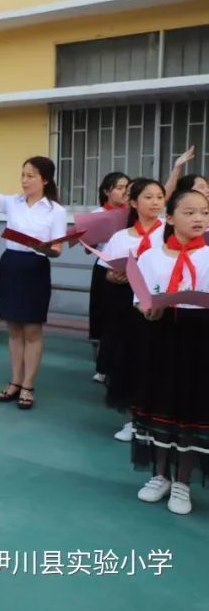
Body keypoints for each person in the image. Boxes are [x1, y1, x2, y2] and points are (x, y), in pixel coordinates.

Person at [0, 138, 66, 411]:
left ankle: (28, 385)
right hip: (11, 265)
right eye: (23, 174)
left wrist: (43, 248)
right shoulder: (13, 202)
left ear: (45, 180)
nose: (24, 180)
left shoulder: (56, 211)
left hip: (36, 267)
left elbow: (58, 249)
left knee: (32, 330)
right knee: (14, 329)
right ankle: (15, 381)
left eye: (31, 176)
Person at [127, 189, 209, 515]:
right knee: (159, 403)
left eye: (203, 212)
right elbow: (140, 297)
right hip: (160, 337)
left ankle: (183, 482)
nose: (199, 219)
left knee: (191, 408)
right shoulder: (150, 257)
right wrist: (148, 309)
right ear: (170, 218)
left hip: (199, 340)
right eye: (189, 213)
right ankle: (159, 475)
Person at [95, 178, 165, 442]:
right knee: (130, 361)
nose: (156, 202)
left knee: (156, 362)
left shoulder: (168, 233)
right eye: (148, 197)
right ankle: (134, 421)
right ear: (134, 203)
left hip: (158, 303)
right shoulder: (120, 237)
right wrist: (114, 277)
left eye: (159, 197)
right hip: (125, 305)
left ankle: (157, 419)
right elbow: (106, 273)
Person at [86, 172, 130, 365]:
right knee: (103, 313)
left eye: (127, 188)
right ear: (107, 191)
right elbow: (89, 250)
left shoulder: (131, 213)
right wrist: (92, 238)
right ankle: (102, 364)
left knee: (123, 318)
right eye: (119, 188)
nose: (124, 192)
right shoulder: (97, 214)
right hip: (104, 267)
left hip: (129, 268)